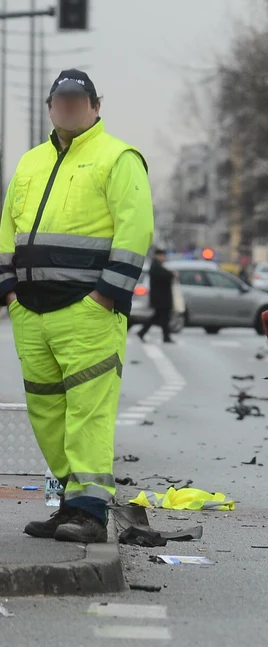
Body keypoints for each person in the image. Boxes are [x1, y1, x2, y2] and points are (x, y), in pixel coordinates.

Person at [0, 69, 154, 543]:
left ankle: (90, 513)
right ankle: (70, 503)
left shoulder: (118, 157)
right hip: (31, 311)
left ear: (95, 106)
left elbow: (135, 230)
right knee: (46, 415)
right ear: (50, 107)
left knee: (88, 412)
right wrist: (9, 291)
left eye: (77, 99)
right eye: (60, 100)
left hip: (87, 312)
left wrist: (105, 295)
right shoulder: (30, 162)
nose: (68, 106)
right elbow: (8, 227)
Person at [137, 248, 175, 343]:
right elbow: (163, 276)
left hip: (161, 297)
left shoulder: (157, 265)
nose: (164, 258)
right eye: (162, 255)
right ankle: (164, 336)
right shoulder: (155, 266)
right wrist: (171, 275)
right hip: (160, 297)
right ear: (158, 255)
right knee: (161, 316)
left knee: (161, 317)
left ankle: (145, 332)